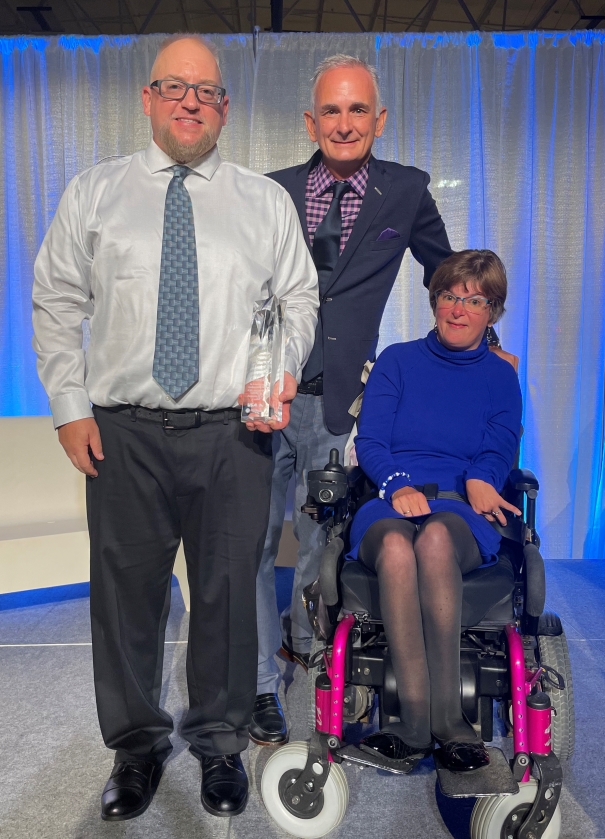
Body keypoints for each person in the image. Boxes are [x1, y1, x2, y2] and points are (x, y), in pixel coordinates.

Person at [32, 35, 318, 821]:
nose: (190, 100)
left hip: (235, 432)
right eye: (174, 87)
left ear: (224, 107)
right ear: (148, 99)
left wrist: (281, 367)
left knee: (227, 592)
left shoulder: (263, 202)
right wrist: (69, 406)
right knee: (125, 597)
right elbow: (56, 301)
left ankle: (220, 743)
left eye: (206, 90)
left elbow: (299, 300)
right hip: (121, 432)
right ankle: (135, 744)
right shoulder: (94, 193)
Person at [251, 54, 453, 746]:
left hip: (334, 402)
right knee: (249, 544)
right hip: (256, 396)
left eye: (356, 109)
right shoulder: (269, 191)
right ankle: (257, 685)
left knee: (319, 545)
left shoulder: (405, 191)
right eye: (330, 110)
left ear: (379, 119)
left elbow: (445, 271)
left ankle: (309, 652)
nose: (343, 123)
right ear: (311, 120)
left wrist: (483, 339)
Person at [348, 249, 522, 772]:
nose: (458, 309)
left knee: (437, 538)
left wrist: (480, 478)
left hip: (462, 509)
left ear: (493, 312)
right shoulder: (397, 361)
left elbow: (499, 446)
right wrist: (398, 484)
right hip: (390, 500)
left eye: (475, 300)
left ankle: (452, 722)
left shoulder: (500, 376)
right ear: (435, 299)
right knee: (399, 548)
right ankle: (412, 722)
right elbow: (372, 439)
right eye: (450, 295)